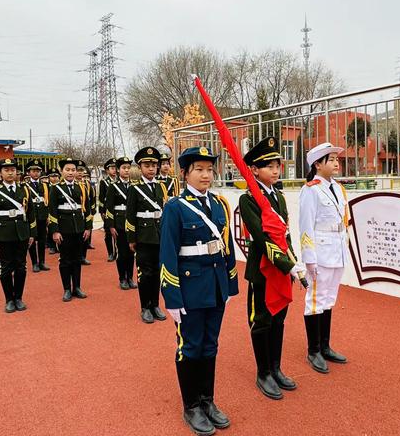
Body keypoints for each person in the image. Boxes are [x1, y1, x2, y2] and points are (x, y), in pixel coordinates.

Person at [160, 146, 238, 435]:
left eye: (209, 169)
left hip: (215, 287)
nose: (206, 175)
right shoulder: (175, 207)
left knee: (210, 345)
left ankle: (208, 401)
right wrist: (172, 297)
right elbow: (168, 253)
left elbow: (226, 247)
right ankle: (191, 405)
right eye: (199, 170)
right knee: (190, 347)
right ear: (185, 173)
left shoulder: (219, 205)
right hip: (189, 289)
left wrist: (229, 286)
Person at [239, 136, 302, 400]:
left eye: (278, 165)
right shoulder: (249, 199)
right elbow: (263, 238)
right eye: (269, 166)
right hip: (263, 268)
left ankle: (276, 368)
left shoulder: (280, 197)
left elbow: (284, 235)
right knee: (262, 321)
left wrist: (293, 261)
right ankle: (263, 372)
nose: (276, 170)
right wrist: (289, 266)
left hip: (281, 268)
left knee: (279, 319)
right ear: (254, 169)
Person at [298, 142, 349, 374]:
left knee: (329, 299)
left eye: (337, 159)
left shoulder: (337, 188)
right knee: (315, 300)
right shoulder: (310, 190)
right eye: (331, 159)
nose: (336, 162)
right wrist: (309, 258)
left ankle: (325, 346)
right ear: (318, 164)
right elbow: (306, 227)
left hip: (337, 249)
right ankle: (314, 350)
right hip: (320, 252)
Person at [0, 158, 36, 313]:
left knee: (21, 267)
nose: (10, 173)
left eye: (12, 170)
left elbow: (31, 213)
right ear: (1, 173)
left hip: (22, 234)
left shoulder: (24, 190)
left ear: (16, 172)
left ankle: (19, 298)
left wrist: (32, 233)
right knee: (6, 268)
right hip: (3, 235)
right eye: (6, 170)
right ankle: (9, 299)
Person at [125, 147, 167, 323]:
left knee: (157, 273)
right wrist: (131, 239)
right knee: (145, 273)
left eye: (154, 165)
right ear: (140, 167)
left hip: (159, 235)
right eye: (147, 165)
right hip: (143, 237)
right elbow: (130, 215)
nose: (151, 169)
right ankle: (145, 307)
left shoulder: (161, 187)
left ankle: (156, 304)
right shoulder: (135, 189)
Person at [48, 157, 93, 302]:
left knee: (77, 259)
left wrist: (88, 228)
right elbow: (52, 211)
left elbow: (86, 209)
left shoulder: (81, 187)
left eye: (73, 170)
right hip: (64, 230)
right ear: (62, 171)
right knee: (65, 260)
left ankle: (77, 287)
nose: (71, 172)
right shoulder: (55, 188)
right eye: (67, 170)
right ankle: (67, 288)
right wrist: (55, 231)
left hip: (79, 229)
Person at [105, 156, 137, 290]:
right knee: (122, 253)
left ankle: (130, 277)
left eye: (128, 168)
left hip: (132, 224)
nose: (126, 170)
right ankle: (122, 278)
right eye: (124, 168)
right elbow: (109, 207)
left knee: (131, 253)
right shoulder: (113, 186)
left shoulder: (135, 185)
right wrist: (111, 226)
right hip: (119, 223)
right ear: (118, 170)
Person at [26, 159, 50, 272]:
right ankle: (34, 263)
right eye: (33, 171)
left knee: (42, 240)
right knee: (31, 241)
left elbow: (48, 202)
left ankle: (42, 262)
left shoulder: (45, 185)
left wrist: (47, 216)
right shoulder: (25, 186)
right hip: (31, 218)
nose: (36, 173)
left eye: (38, 171)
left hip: (42, 217)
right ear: (29, 172)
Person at [75, 160, 94, 265]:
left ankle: (83, 256)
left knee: (84, 237)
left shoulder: (86, 183)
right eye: (77, 170)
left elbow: (91, 198)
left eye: (82, 170)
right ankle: (77, 256)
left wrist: (91, 212)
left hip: (85, 213)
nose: (80, 173)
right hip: (75, 214)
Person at [99, 158, 117, 262]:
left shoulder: (120, 181)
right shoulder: (104, 182)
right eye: (112, 168)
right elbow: (101, 198)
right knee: (108, 233)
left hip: (118, 210)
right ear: (107, 170)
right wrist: (102, 211)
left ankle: (117, 252)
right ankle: (110, 253)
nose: (114, 170)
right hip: (108, 211)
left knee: (119, 233)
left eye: (115, 168)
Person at [47, 167, 60, 255]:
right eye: (52, 176)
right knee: (51, 228)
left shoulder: (60, 187)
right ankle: (51, 246)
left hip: (58, 210)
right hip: (49, 210)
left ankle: (59, 246)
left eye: (56, 176)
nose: (54, 178)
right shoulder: (45, 187)